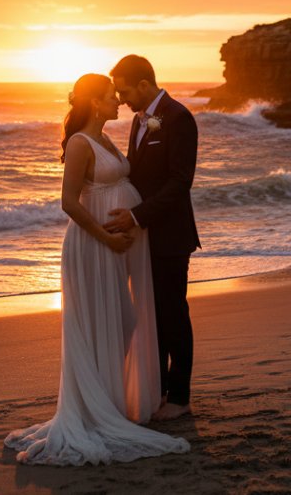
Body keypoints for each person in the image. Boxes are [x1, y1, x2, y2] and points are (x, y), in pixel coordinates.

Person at [4, 73, 190, 466]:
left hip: (119, 244)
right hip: (94, 245)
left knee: (121, 319)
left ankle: (113, 400)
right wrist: (107, 238)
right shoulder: (79, 143)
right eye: (111, 97)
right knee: (109, 320)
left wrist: (134, 221)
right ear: (94, 104)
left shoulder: (106, 139)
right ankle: (96, 408)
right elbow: (69, 203)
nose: (118, 102)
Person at [103, 55, 200, 421]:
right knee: (152, 316)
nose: (122, 98)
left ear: (144, 84)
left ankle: (180, 397)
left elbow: (180, 182)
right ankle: (156, 390)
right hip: (144, 236)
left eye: (125, 90)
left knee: (173, 314)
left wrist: (136, 216)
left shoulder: (178, 118)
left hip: (170, 235)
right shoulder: (138, 121)